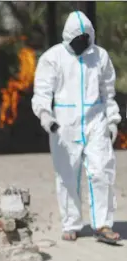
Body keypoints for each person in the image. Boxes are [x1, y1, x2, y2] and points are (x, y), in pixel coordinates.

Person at [31, 11, 122, 244]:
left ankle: (102, 224)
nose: (81, 44)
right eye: (77, 40)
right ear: (67, 37)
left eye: (85, 39)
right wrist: (46, 118)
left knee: (102, 171)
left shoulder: (100, 57)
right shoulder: (53, 58)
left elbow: (108, 92)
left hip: (95, 123)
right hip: (64, 126)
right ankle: (71, 224)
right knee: (67, 176)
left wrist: (112, 120)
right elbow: (42, 93)